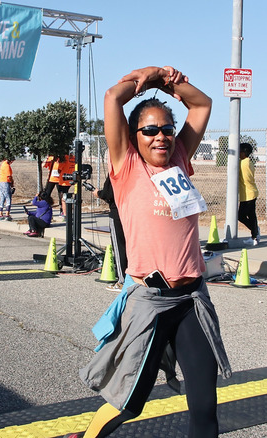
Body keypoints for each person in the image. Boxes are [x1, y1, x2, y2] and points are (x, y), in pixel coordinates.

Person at [70, 66, 231, 438]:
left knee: (205, 407)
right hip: (150, 300)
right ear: (133, 136)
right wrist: (151, 74)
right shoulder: (127, 167)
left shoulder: (179, 159)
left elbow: (202, 104)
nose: (161, 136)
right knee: (128, 402)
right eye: (150, 130)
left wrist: (172, 83)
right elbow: (114, 97)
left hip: (192, 300)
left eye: (167, 129)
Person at [96, 175, 127, 292]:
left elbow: (108, 194)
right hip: (132, 212)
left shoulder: (116, 172)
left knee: (119, 248)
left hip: (117, 213)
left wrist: (98, 193)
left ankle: (122, 281)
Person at [238, 142, 260, 246]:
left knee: (241, 216)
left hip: (247, 194)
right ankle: (254, 235)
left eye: (239, 151)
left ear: (243, 152)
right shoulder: (249, 162)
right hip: (251, 192)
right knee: (251, 215)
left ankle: (255, 232)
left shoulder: (243, 163)